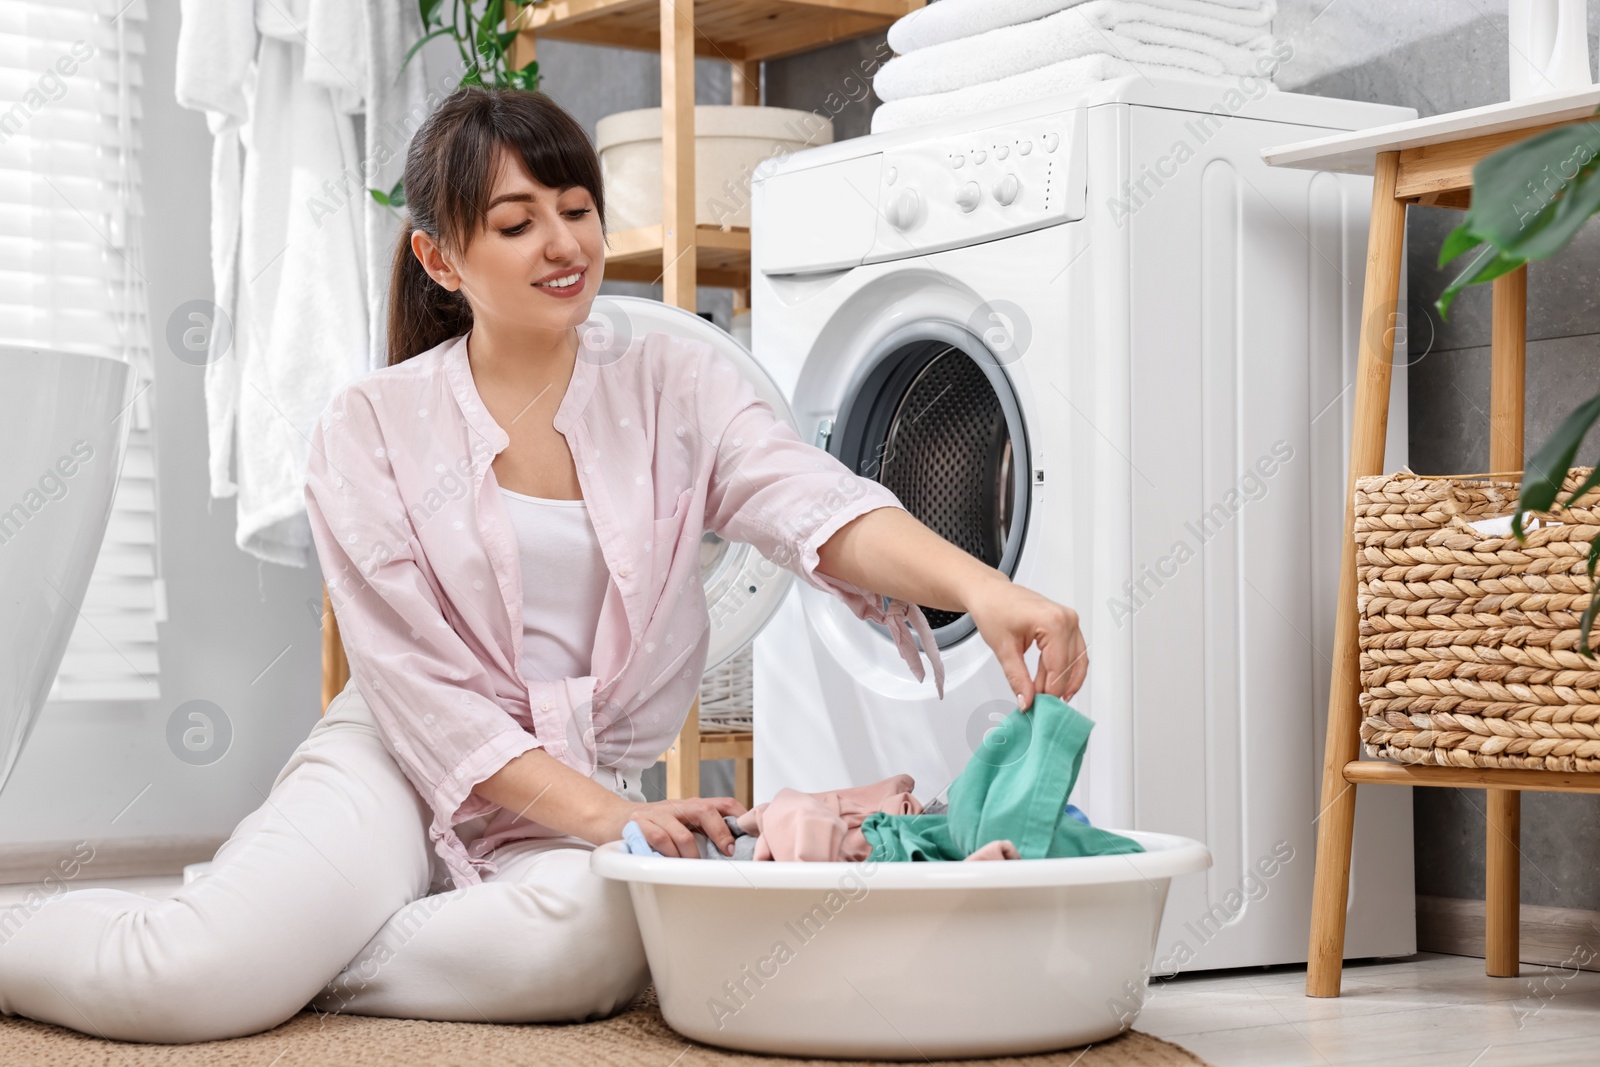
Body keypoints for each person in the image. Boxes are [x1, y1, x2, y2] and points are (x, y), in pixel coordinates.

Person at [0, 87, 1088, 1044]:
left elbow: (811, 500)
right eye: (517, 222)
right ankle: (222, 947)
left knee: (588, 939)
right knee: (187, 982)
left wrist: (986, 587)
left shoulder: (673, 384)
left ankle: (299, 955)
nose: (563, 243)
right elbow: (425, 697)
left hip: (575, 783)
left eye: (576, 209)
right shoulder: (369, 427)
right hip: (396, 758)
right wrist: (613, 821)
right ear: (441, 257)